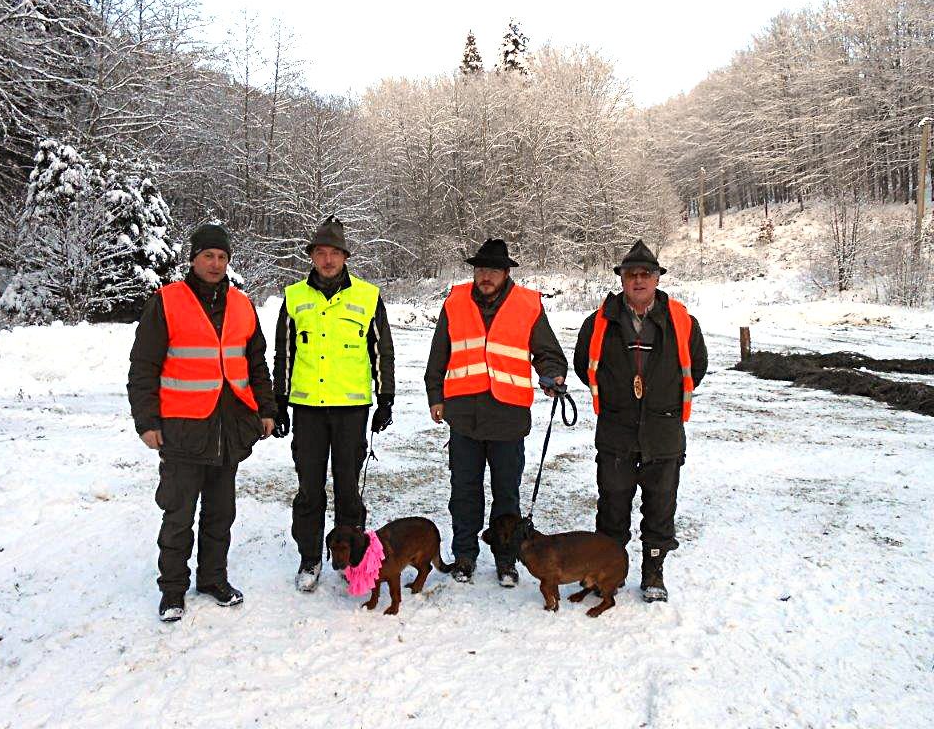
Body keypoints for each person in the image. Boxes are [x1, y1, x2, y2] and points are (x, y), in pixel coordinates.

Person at [128, 223, 276, 623]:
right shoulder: (167, 301)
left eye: (222, 257)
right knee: (178, 514)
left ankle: (213, 578)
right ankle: (172, 589)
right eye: (208, 256)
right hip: (182, 428)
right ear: (193, 259)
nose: (215, 263)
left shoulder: (243, 305)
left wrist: (267, 408)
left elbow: (256, 363)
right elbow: (143, 367)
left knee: (220, 513)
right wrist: (146, 420)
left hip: (228, 428)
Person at [424, 238, 567, 586]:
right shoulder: (455, 302)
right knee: (464, 491)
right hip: (464, 417)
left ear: (506, 273)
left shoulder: (527, 305)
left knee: (507, 494)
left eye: (493, 270)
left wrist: (552, 375)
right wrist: (435, 395)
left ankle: (507, 559)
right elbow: (438, 353)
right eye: (481, 269)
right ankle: (464, 555)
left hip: (508, 418)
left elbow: (548, 352)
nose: (485, 276)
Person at [573, 239, 707, 603]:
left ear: (657, 279)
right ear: (621, 280)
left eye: (645, 274)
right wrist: (619, 396)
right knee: (613, 504)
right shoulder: (598, 321)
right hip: (616, 429)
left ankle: (653, 573)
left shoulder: (682, 321)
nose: (638, 281)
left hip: (663, 430)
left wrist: (659, 397)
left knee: (660, 505)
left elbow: (697, 367)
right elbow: (585, 366)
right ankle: (607, 571)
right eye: (630, 274)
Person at [272, 216, 396, 592]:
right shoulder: (294, 297)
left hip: (351, 410)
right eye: (320, 253)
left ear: (345, 257)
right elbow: (285, 354)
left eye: (334, 254)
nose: (327, 260)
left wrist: (385, 397)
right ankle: (310, 558)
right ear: (311, 257)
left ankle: (351, 559)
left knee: (347, 489)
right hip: (308, 411)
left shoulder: (367, 296)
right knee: (310, 489)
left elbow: (382, 351)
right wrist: (279, 403)